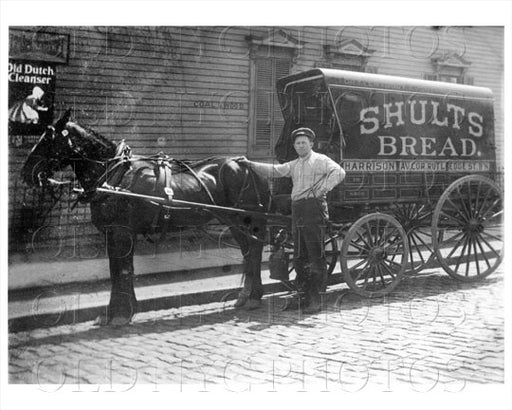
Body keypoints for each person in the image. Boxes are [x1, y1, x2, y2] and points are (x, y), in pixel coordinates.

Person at [239, 127, 345, 313]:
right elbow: (275, 170)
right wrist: (250, 164)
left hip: (314, 209)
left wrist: (322, 189)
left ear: (311, 144)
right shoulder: (294, 164)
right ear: (295, 146)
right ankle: (302, 296)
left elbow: (339, 172)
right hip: (298, 209)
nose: (300, 145)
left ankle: (316, 299)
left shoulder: (320, 160)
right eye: (297, 143)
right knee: (299, 256)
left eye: (304, 142)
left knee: (315, 255)